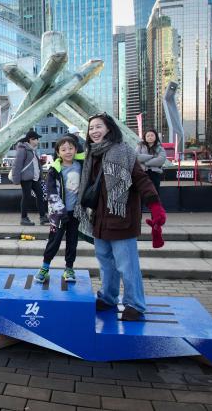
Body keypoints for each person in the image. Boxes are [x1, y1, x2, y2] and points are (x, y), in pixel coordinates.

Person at [75, 113, 167, 321]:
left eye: (99, 127)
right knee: (106, 263)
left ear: (109, 129)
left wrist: (155, 205)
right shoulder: (91, 154)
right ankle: (108, 297)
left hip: (121, 217)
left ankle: (135, 304)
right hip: (99, 219)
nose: (94, 131)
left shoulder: (124, 151)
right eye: (91, 129)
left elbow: (141, 179)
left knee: (127, 265)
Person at [35, 136, 82, 283]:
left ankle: (69, 269)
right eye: (63, 149)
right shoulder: (54, 169)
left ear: (76, 149)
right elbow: (50, 192)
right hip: (58, 215)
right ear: (58, 152)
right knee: (54, 242)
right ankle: (45, 268)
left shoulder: (82, 165)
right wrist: (60, 211)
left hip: (75, 213)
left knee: (72, 241)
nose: (68, 151)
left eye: (71, 148)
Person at [11, 130, 49, 226]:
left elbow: (31, 164)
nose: (38, 141)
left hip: (34, 178)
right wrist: (16, 179)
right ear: (31, 139)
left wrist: (41, 162)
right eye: (36, 139)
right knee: (26, 197)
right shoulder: (22, 149)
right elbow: (17, 164)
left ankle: (43, 217)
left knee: (40, 196)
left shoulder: (31, 149)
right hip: (26, 178)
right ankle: (24, 218)